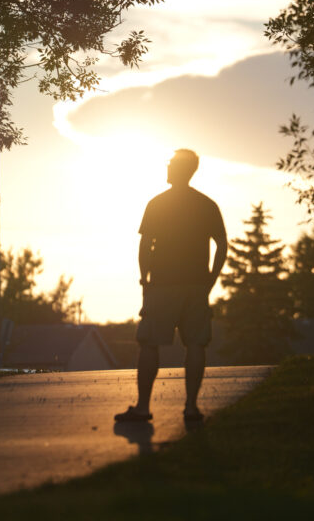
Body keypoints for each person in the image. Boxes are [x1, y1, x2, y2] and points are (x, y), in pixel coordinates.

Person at [114, 148, 227, 424]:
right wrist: (210, 280)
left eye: (171, 163)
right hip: (196, 286)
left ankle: (143, 408)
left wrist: (145, 280)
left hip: (163, 285)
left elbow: (145, 245)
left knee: (149, 344)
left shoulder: (158, 204)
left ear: (179, 168)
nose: (167, 167)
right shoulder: (207, 205)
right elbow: (222, 244)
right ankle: (191, 408)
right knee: (196, 344)